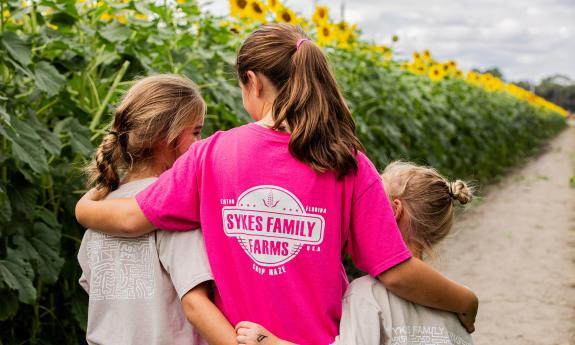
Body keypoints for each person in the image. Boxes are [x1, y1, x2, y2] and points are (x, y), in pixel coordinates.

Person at [75, 24, 478, 345]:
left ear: (253, 81)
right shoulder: (348, 163)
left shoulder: (211, 154)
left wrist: (83, 208)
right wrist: (465, 300)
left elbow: (130, 219)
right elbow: (396, 271)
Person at [235, 161, 475, 345]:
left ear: (393, 210)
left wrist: (273, 342)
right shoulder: (454, 307)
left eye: (368, 204)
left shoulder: (366, 295)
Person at [77, 75, 236, 345]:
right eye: (196, 132)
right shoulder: (172, 208)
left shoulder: (100, 214)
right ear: (165, 137)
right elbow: (196, 305)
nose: (200, 143)